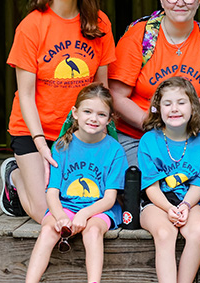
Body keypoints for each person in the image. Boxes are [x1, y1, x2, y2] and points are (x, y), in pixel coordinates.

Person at [2, 0, 117, 221]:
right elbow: (25, 95)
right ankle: (15, 177)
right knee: (48, 214)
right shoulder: (32, 26)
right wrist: (41, 144)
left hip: (79, 131)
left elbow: (100, 90)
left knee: (84, 200)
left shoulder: (99, 23)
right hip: (35, 130)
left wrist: (101, 137)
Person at [109, 0, 200, 166]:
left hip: (188, 131)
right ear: (161, 0)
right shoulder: (139, 36)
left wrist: (178, 124)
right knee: (143, 182)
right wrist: (157, 123)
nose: (180, 2)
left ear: (198, 1)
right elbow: (117, 96)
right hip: (139, 132)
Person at [25, 84, 127, 283]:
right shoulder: (62, 146)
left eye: (101, 114)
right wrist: (61, 216)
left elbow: (109, 198)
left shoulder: (115, 150)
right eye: (87, 111)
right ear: (75, 113)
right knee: (48, 230)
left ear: (109, 119)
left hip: (99, 209)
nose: (93, 119)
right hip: (66, 205)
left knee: (93, 231)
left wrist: (85, 214)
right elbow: (52, 192)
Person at [138, 77, 200, 283]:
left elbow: (198, 184)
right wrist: (169, 208)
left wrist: (186, 205)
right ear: (158, 109)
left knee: (198, 230)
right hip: (156, 202)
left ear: (193, 107)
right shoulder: (149, 141)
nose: (174, 109)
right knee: (164, 232)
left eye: (181, 102)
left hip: (189, 200)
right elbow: (150, 187)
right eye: (167, 103)